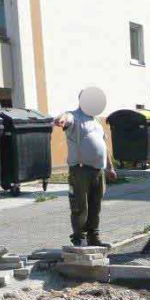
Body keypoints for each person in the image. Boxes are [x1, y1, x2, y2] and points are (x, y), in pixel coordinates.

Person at [54, 87, 116, 247]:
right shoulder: (74, 116)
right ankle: (79, 238)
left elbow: (104, 145)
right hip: (80, 170)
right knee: (80, 206)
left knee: (96, 205)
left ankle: (93, 237)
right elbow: (65, 118)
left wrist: (110, 167)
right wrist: (61, 119)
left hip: (98, 170)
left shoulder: (96, 122)